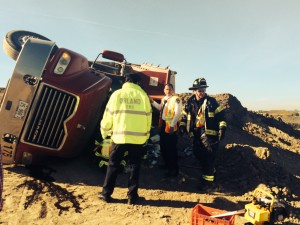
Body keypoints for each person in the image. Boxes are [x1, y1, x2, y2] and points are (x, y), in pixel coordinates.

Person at [99, 72, 152, 205]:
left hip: (119, 137)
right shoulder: (143, 96)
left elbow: (108, 115)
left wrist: (104, 131)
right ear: (137, 83)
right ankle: (132, 197)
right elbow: (148, 118)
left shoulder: (117, 95)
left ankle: (106, 194)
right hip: (138, 139)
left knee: (113, 165)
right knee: (134, 166)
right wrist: (146, 136)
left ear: (126, 81)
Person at [179, 77, 227, 191]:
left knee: (208, 158)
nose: (202, 93)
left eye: (203, 90)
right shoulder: (190, 102)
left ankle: (208, 184)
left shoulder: (211, 102)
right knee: (198, 154)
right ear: (194, 91)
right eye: (200, 90)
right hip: (195, 133)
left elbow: (221, 116)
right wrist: (182, 125)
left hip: (209, 135)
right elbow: (184, 116)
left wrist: (222, 128)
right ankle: (211, 172)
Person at [150, 83, 182, 178]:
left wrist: (172, 125)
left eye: (169, 89)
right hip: (163, 125)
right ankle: (167, 165)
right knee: (163, 146)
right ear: (164, 90)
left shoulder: (176, 99)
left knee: (171, 148)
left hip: (171, 126)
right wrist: (152, 102)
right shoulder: (164, 99)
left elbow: (177, 113)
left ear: (173, 90)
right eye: (166, 89)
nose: (168, 91)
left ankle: (173, 170)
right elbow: (161, 108)